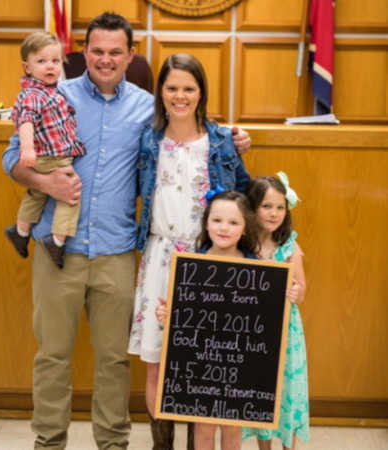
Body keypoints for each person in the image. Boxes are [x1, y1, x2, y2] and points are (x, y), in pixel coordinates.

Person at [2, 12, 251, 450]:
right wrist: (45, 182)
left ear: (130, 55)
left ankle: (113, 444)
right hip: (57, 247)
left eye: (116, 52)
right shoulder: (52, 95)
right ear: (83, 53)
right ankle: (48, 442)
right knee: (53, 357)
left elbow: (187, 124)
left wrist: (232, 136)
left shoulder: (144, 107)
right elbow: (12, 160)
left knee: (114, 360)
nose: (105, 59)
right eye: (96, 50)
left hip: (117, 253)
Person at [127, 53, 251, 450]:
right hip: (161, 257)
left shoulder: (221, 141)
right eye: (172, 88)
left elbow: (244, 196)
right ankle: (162, 445)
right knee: (157, 366)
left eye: (189, 89)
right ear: (160, 92)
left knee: (206, 365)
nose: (180, 96)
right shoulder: (148, 138)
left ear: (201, 93)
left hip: (209, 265)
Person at [155, 191, 259, 450]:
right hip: (201, 359)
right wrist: (167, 315)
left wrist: (287, 293)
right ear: (206, 223)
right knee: (202, 428)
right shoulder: (191, 265)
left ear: (246, 227)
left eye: (233, 223)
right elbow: (179, 313)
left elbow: (265, 316)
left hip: (240, 360)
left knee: (233, 427)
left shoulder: (258, 268)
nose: (224, 228)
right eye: (217, 220)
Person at [4, 32, 87, 269]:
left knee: (37, 194)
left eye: (55, 61)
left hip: (52, 154)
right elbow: (26, 122)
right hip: (50, 157)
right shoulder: (34, 94)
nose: (50, 66)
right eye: (41, 61)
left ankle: (20, 230)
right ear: (26, 67)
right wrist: (27, 149)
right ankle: (57, 241)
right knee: (70, 192)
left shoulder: (53, 90)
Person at [241, 173, 309, 449]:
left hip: (285, 334)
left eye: (280, 207)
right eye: (267, 206)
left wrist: (296, 292)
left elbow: (301, 289)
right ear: (252, 208)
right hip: (253, 334)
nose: (274, 213)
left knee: (287, 392)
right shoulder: (243, 247)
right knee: (260, 393)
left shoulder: (289, 246)